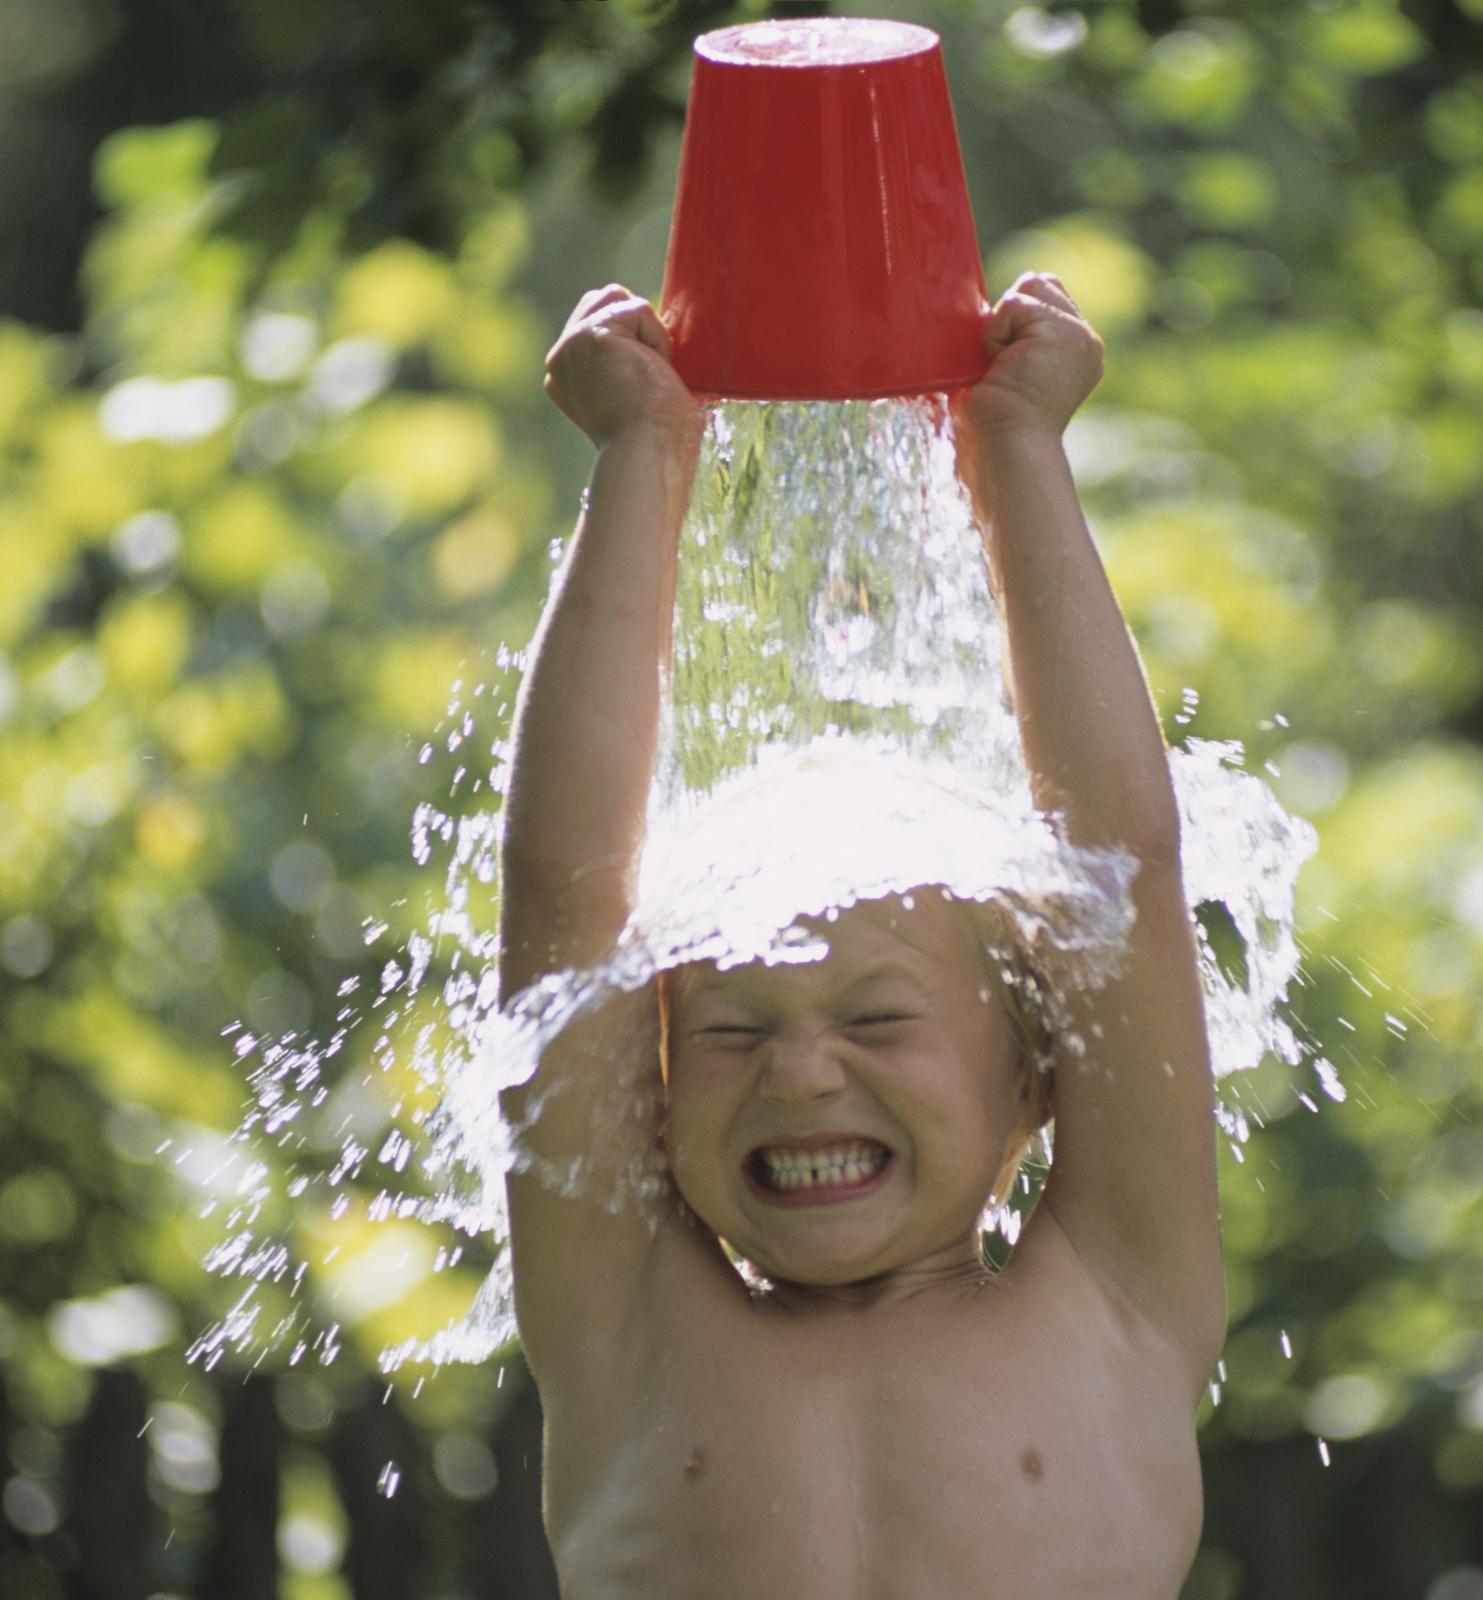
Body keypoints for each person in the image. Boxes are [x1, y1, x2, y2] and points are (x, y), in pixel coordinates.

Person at [497, 270, 1223, 1597]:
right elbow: (566, 902)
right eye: (726, 1032)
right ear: (652, 1094)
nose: (802, 1072)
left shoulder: (1119, 1300)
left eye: (878, 1019)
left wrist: (1018, 452)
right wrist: (640, 455)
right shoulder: (621, 1331)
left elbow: (1123, 867)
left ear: (1038, 1071)